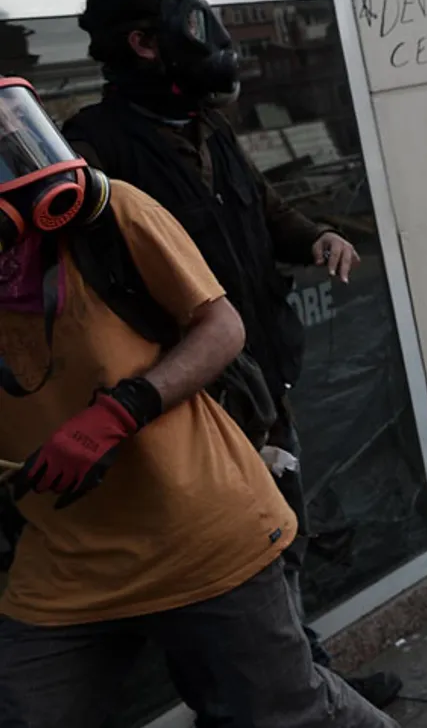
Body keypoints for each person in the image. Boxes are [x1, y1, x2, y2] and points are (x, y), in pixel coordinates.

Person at [0, 77, 397, 728]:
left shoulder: (111, 215)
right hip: (65, 558)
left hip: (199, 531)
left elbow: (221, 325)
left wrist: (120, 411)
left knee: (280, 713)